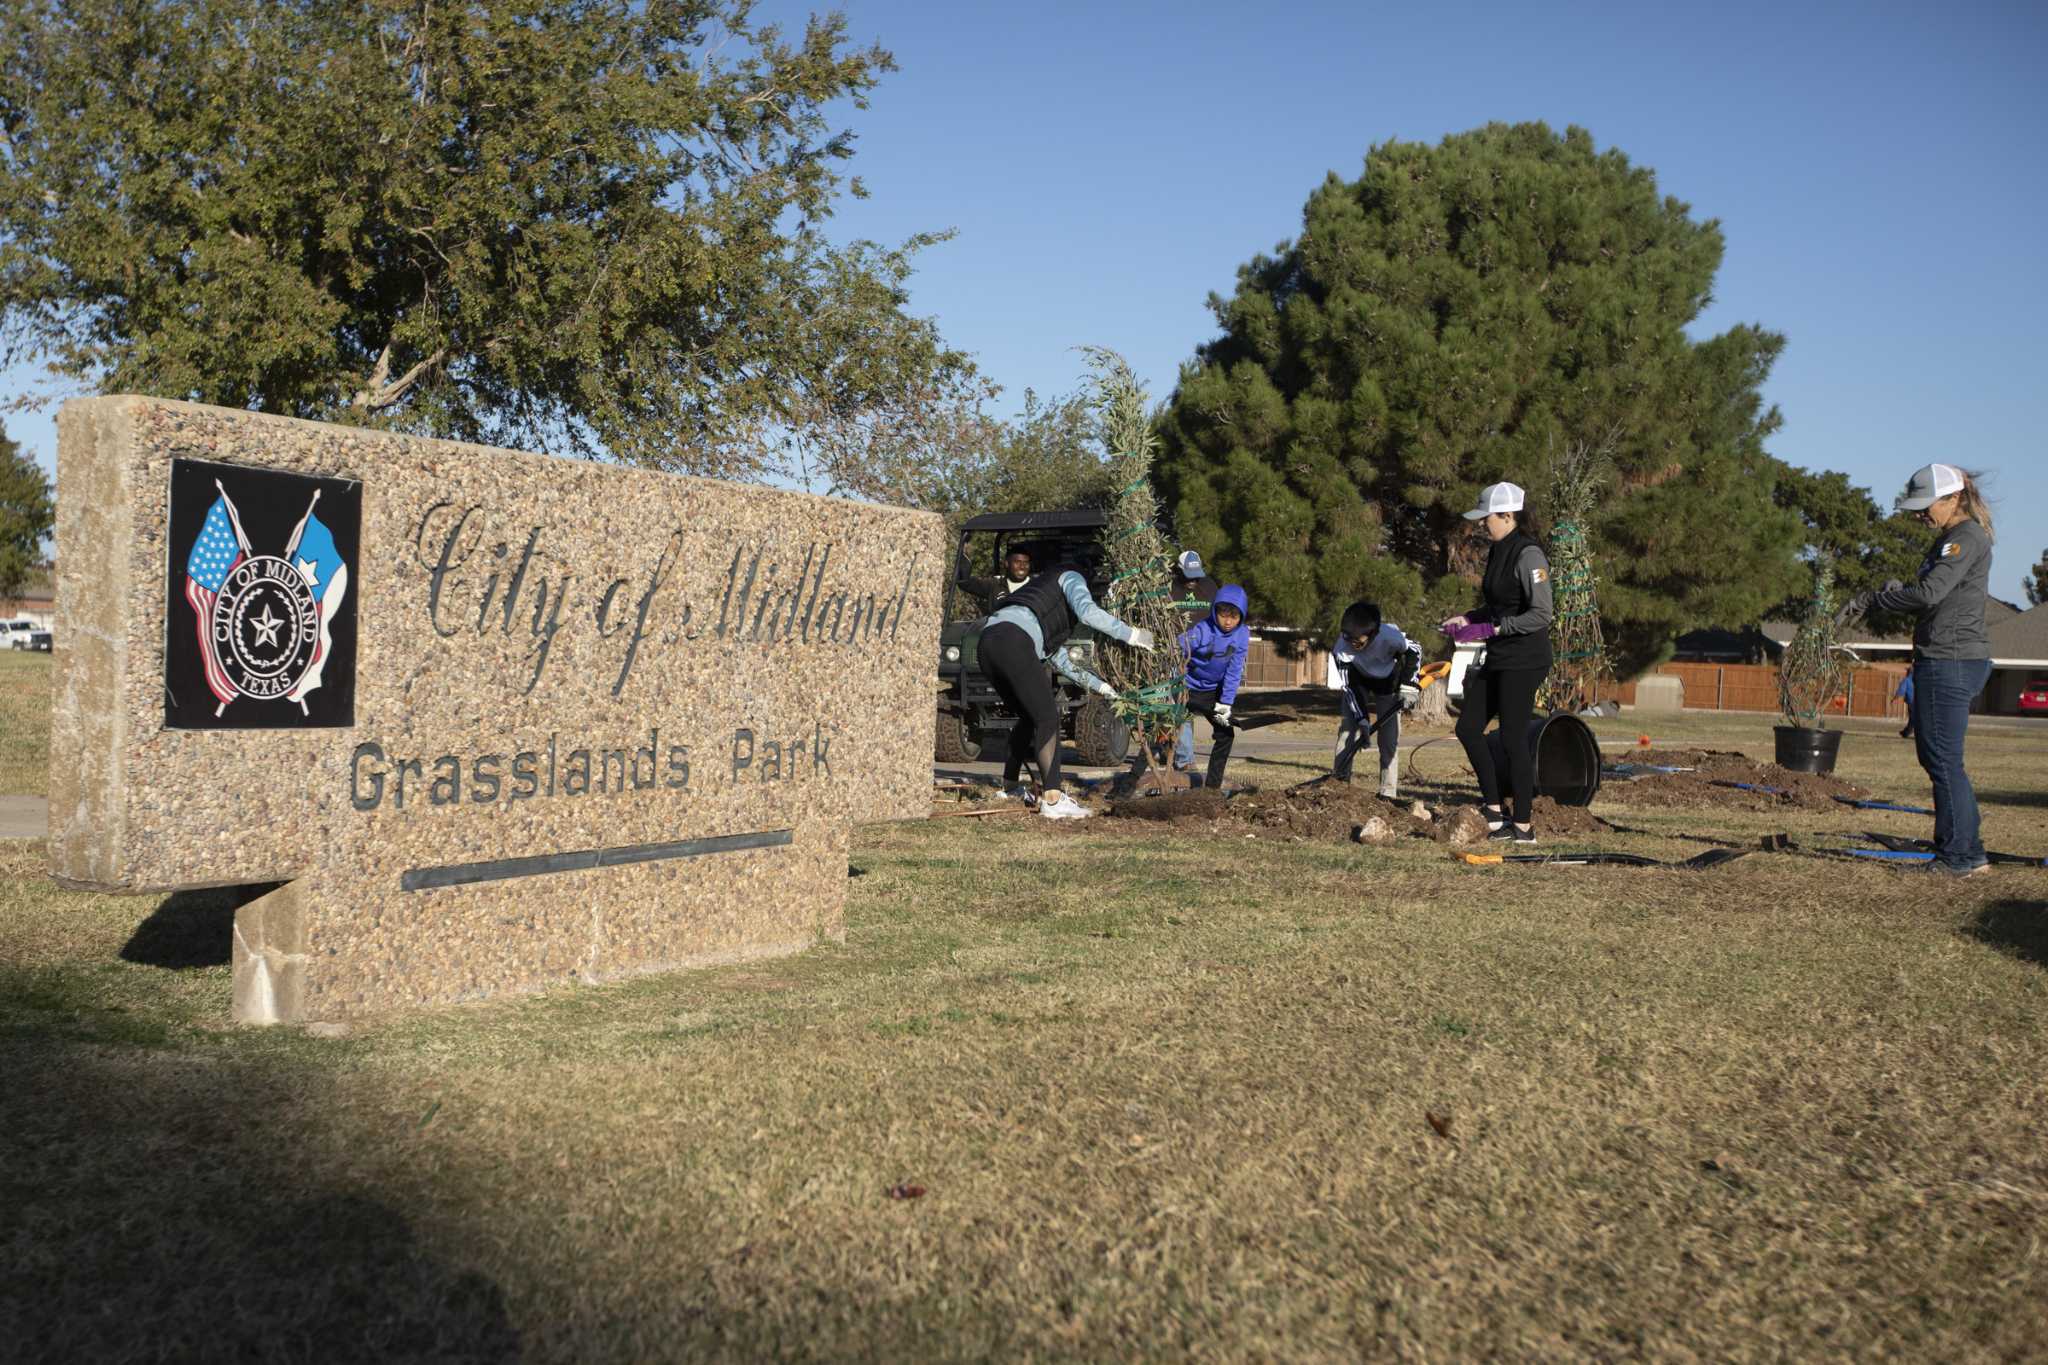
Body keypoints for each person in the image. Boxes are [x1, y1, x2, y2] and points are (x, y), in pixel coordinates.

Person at [1849, 464, 1994, 875]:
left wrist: (1874, 599)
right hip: (1950, 658)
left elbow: (1930, 593)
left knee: (1943, 761)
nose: (1919, 515)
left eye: (1925, 506)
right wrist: (1897, 591)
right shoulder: (1953, 539)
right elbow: (1933, 592)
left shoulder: (1963, 538)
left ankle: (1958, 857)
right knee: (1944, 761)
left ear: (1953, 499)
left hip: (1949, 661)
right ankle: (1969, 851)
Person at [979, 564, 1154, 819]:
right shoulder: (1071, 576)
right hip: (1013, 640)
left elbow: (1060, 660)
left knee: (1029, 717)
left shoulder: (1038, 603)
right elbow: (1088, 613)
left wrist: (1104, 688)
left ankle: (1011, 787)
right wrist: (1133, 635)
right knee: (1047, 717)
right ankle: (1052, 799)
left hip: (989, 643)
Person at [1442, 481, 1553, 843]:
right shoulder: (1497, 551)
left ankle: (1522, 825)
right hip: (1500, 655)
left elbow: (1541, 615)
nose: (1481, 524)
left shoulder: (1529, 555)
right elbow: (1498, 605)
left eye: (1486, 517)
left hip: (1525, 659)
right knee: (1468, 728)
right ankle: (1493, 810)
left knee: (1512, 738)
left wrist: (1493, 628)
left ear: (1507, 515)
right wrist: (1469, 619)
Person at [1326, 601, 1422, 798]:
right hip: (1358, 681)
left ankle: (1388, 793)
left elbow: (1415, 650)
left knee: (1389, 739)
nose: (1352, 645)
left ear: (1374, 634)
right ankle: (1339, 786)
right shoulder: (1341, 649)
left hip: (1388, 682)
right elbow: (1350, 687)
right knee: (1347, 732)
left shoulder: (1390, 636)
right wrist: (1362, 719)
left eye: (1358, 642)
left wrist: (1409, 684)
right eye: (1348, 639)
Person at [1174, 584, 1250, 789]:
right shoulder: (1202, 630)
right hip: (1187, 689)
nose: (1227, 621)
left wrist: (1225, 704)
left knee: (1226, 734)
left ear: (1241, 617)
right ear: (1215, 610)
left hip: (1211, 692)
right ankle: (1130, 783)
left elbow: (1234, 672)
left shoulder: (1242, 634)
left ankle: (1212, 789)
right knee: (1165, 728)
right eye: (1223, 614)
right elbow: (1175, 647)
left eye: (1234, 616)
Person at [956, 545, 1033, 615]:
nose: (1022, 567)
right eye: (1017, 562)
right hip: (999, 628)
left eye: (1026, 563)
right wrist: (964, 567)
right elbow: (966, 583)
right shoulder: (995, 584)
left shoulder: (1036, 585)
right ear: (1006, 563)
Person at [1895, 662, 1915, 739]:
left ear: (1909, 672)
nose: (1906, 672)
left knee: (1913, 718)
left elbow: (1901, 690)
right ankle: (1906, 732)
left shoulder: (1906, 680)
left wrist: (1895, 697)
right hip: (1919, 702)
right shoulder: (1918, 680)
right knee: (1914, 718)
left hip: (1911, 702)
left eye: (1907, 671)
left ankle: (1906, 732)